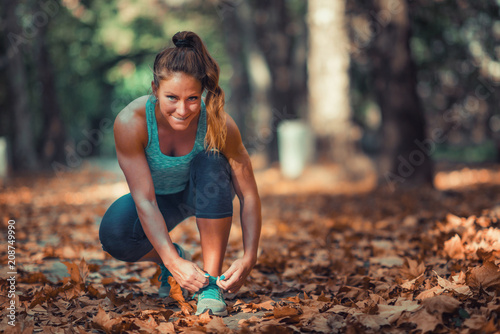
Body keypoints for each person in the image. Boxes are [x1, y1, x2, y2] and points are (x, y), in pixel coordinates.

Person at [99, 31, 262, 317]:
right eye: (172, 97)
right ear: (154, 89)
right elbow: (145, 201)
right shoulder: (131, 122)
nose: (183, 110)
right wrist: (172, 259)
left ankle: (210, 284)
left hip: (203, 193)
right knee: (115, 235)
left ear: (203, 94)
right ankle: (169, 262)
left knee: (211, 162)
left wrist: (249, 257)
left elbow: (248, 195)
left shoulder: (218, 123)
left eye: (193, 99)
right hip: (158, 199)